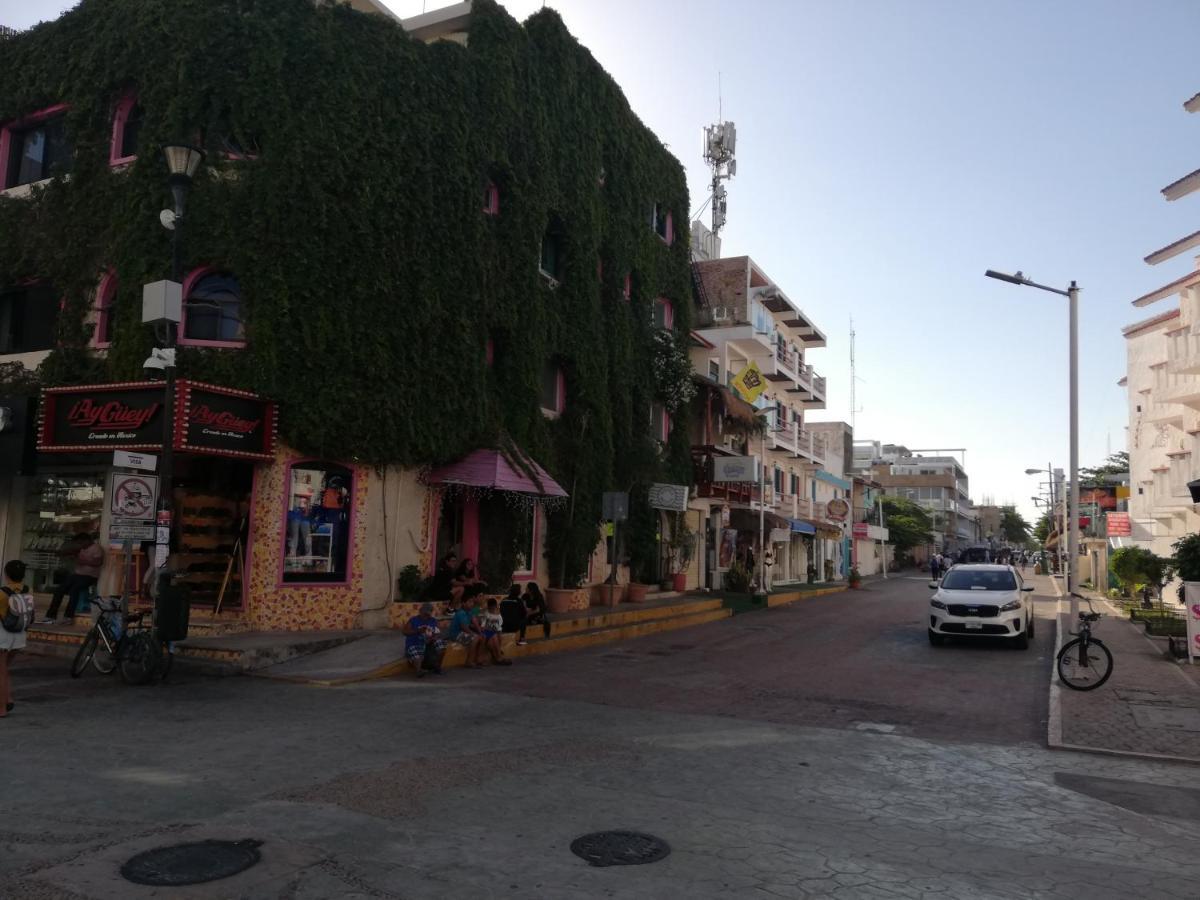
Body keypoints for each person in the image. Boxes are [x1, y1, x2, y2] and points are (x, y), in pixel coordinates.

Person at [41, 532, 104, 625]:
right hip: (77, 575)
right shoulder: (80, 549)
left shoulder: (97, 549)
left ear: (86, 541)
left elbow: (98, 562)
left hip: (90, 577)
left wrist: (82, 560)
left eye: (80, 543)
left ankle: (68, 616)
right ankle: (50, 615)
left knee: (74, 590)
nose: (80, 545)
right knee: (60, 590)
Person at [1, 560, 36, 718]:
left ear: (6, 574)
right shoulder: (29, 590)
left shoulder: (2, 593)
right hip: (20, 635)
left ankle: (1, 708)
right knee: (4, 670)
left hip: (3, 636)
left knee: (1, 672)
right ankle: (8, 699)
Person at [402, 602, 446, 677]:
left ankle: (437, 667)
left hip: (429, 643)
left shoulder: (433, 620)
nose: (426, 616)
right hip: (415, 642)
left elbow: (439, 632)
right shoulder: (413, 620)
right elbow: (405, 631)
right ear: (421, 611)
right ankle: (419, 671)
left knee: (441, 644)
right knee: (418, 655)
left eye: (428, 614)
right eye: (425, 613)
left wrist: (434, 637)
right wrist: (417, 631)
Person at [447, 584, 484, 668]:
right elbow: (464, 627)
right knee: (475, 638)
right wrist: (474, 634)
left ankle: (478, 659)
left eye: (472, 602)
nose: (472, 604)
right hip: (456, 634)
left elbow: (475, 622)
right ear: (463, 603)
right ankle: (469, 662)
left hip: (463, 632)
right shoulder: (461, 613)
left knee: (482, 637)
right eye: (469, 602)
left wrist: (480, 632)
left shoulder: (469, 612)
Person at [480, 597, 511, 665]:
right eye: (490, 608)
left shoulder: (498, 616)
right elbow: (483, 626)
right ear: (488, 607)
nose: (492, 609)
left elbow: (499, 628)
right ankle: (499, 657)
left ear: (495, 607)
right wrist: (488, 629)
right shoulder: (486, 614)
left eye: (493, 608)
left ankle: (497, 657)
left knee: (494, 639)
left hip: (494, 633)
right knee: (494, 636)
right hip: (487, 632)